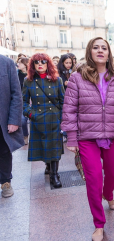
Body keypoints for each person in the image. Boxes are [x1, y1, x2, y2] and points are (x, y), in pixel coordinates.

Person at [61, 37, 114, 241]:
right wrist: (72, 137)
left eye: (104, 48)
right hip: (87, 137)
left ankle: (109, 195)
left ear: (109, 53)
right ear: (89, 51)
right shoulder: (77, 77)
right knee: (93, 180)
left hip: (113, 133)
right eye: (96, 47)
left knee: (112, 172)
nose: (100, 50)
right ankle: (99, 224)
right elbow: (69, 109)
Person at [22, 53, 65, 188]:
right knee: (43, 146)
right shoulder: (28, 81)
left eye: (43, 61)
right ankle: (48, 165)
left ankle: (54, 175)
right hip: (38, 119)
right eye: (36, 62)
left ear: (48, 64)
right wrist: (31, 114)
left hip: (54, 119)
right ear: (33, 65)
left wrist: (62, 118)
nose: (40, 64)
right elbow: (23, 102)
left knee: (54, 148)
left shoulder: (57, 80)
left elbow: (63, 101)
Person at [0, 55, 25, 198]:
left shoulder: (7, 63)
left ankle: (5, 182)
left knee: (4, 151)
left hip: (2, 119)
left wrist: (14, 120)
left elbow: (16, 94)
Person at [17, 57, 30, 145]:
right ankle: (25, 135)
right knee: (22, 120)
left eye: (20, 63)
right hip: (21, 100)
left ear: (25, 65)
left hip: (32, 100)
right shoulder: (16, 73)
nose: (18, 64)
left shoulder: (31, 74)